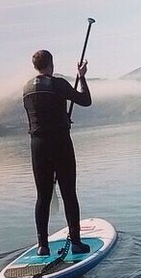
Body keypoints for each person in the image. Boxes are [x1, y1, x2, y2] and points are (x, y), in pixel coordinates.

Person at [23, 50, 93, 256]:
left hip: (37, 146)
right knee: (68, 193)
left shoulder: (26, 89)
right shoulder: (58, 84)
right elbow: (85, 100)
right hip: (60, 143)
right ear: (51, 64)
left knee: (43, 196)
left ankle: (42, 246)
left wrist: (61, 117)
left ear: (35, 66)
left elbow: (40, 115)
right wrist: (81, 77)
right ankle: (76, 243)